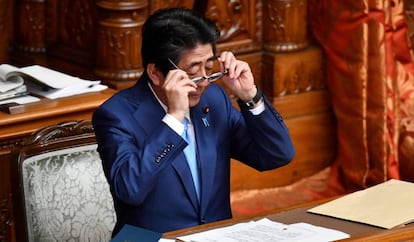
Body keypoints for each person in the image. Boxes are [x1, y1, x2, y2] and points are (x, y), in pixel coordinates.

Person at [92, 7, 295, 237]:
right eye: (192, 73)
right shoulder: (117, 115)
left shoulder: (214, 101)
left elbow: (278, 154)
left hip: (213, 236)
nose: (203, 83)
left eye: (209, 69)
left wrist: (250, 96)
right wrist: (173, 119)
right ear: (156, 72)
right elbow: (130, 189)